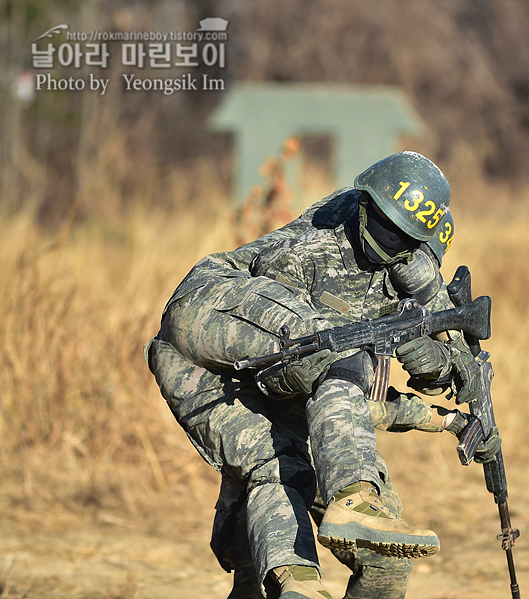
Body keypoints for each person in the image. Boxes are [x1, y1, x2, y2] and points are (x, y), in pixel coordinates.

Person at [144, 151, 498, 599]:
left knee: (382, 552)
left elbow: (350, 406)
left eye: (399, 241)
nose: (383, 242)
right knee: (325, 371)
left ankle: (302, 584)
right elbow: (311, 356)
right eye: (381, 224)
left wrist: (451, 414)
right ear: (363, 203)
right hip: (209, 323)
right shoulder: (318, 249)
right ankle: (352, 498)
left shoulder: (380, 287)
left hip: (273, 376)